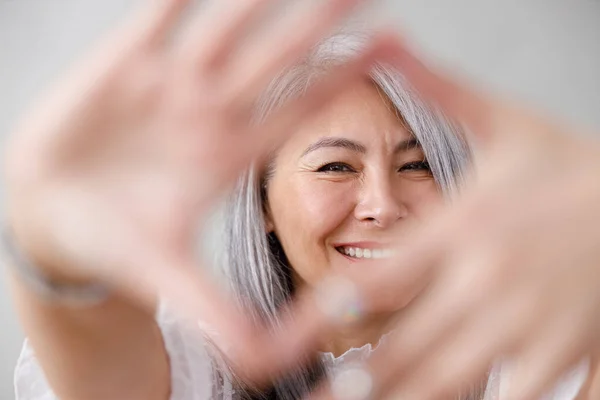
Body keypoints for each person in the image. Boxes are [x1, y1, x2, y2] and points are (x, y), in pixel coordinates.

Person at [5, 1, 600, 400]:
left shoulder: (533, 355)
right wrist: (51, 249)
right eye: (336, 166)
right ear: (262, 204)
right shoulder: (201, 364)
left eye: (416, 165)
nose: (383, 205)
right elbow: (101, 365)